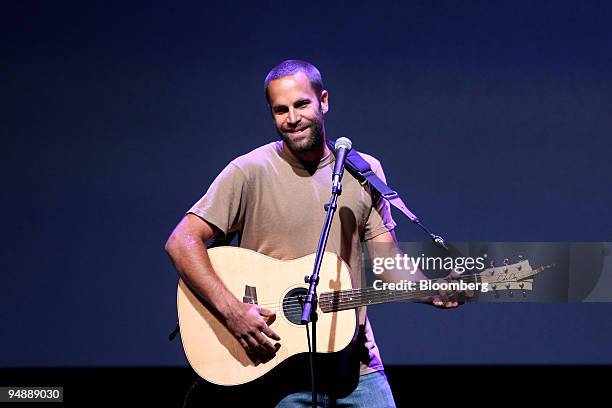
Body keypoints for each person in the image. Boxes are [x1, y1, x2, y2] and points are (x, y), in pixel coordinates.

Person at [165, 60, 459, 407]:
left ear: (324, 101)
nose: (292, 119)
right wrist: (233, 312)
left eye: (301, 104)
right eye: (280, 110)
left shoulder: (364, 172)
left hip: (354, 363)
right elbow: (182, 242)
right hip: (279, 367)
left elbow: (386, 263)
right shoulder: (249, 171)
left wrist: (430, 290)